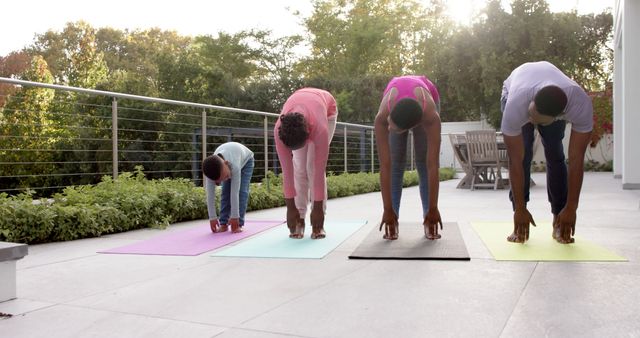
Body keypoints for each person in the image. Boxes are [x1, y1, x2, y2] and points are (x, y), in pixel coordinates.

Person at [500, 61, 593, 244]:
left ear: (558, 117)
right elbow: (515, 161)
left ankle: (558, 220)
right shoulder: (516, 106)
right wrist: (519, 208)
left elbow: (576, 161)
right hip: (515, 89)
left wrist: (571, 208)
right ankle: (519, 218)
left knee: (555, 154)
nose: (531, 121)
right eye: (530, 115)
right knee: (523, 155)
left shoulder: (579, 105)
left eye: (536, 120)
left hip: (553, 100)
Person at [374, 75, 443, 240]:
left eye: (394, 128)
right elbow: (385, 166)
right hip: (397, 97)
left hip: (427, 95)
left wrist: (433, 208)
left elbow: (433, 165)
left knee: (423, 161)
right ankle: (393, 220)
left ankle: (429, 219)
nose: (388, 128)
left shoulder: (431, 117)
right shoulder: (383, 117)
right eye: (389, 123)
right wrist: (387, 208)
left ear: (413, 126)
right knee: (396, 163)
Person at [274, 87, 338, 240]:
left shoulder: (320, 129)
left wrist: (317, 208)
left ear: (308, 134)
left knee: (313, 168)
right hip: (301, 103)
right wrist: (290, 208)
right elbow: (287, 173)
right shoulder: (280, 131)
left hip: (326, 110)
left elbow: (319, 169)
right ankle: (300, 218)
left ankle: (318, 223)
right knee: (299, 168)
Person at [202, 142, 255, 234]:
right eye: (221, 180)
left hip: (246, 160)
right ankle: (223, 223)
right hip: (230, 159)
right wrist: (212, 217)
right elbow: (210, 195)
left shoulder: (234, 166)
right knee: (225, 192)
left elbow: (235, 193)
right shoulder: (210, 171)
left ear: (226, 163)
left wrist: (235, 216)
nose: (226, 179)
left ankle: (238, 223)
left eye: (226, 176)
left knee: (242, 192)